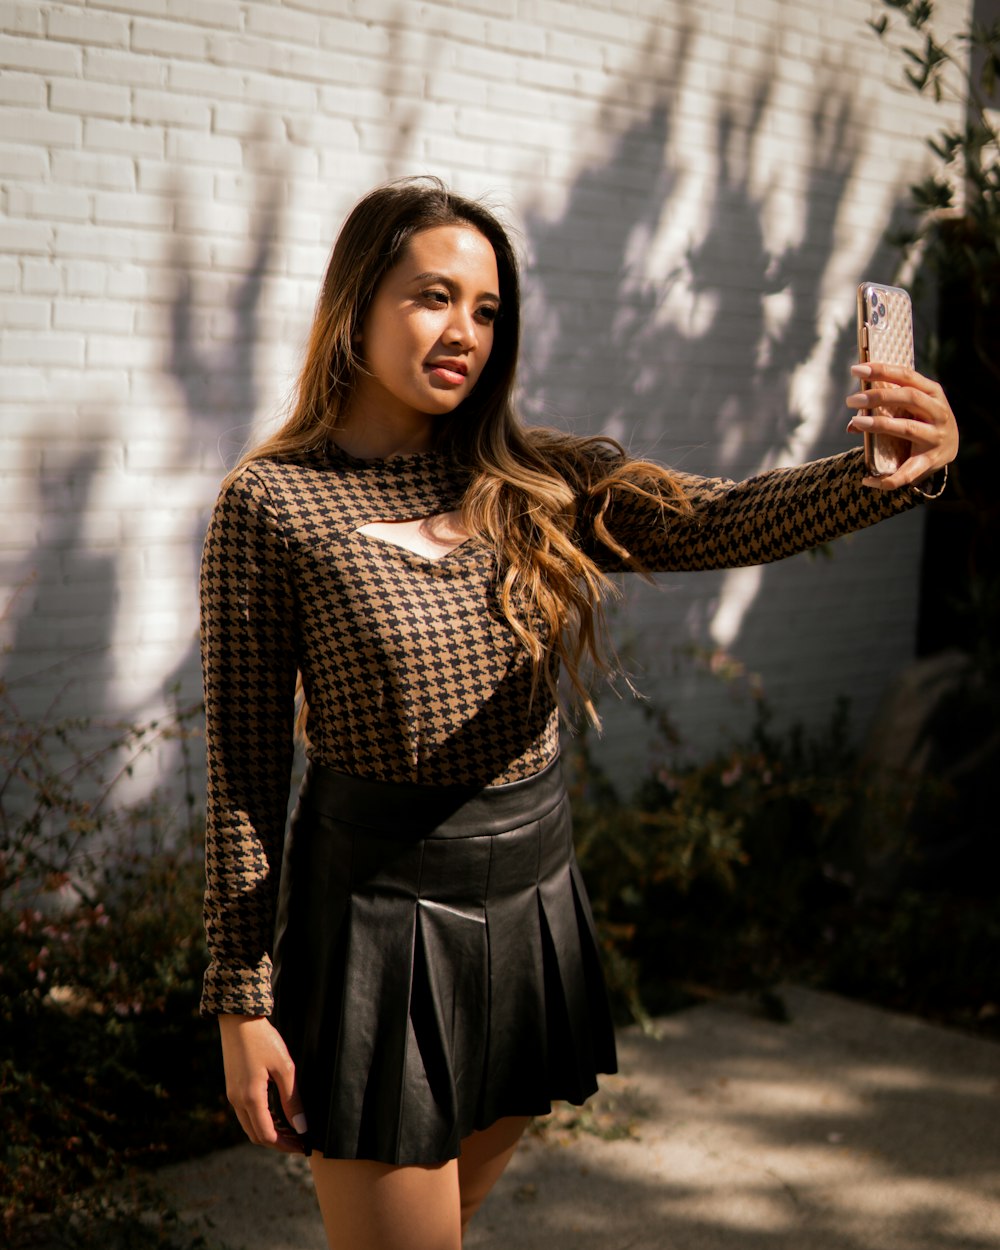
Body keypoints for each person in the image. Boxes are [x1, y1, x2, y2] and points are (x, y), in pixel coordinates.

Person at [198, 177, 958, 1250]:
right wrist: (241, 1001)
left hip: (530, 900)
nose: (464, 328)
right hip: (378, 920)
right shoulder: (271, 505)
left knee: (436, 1222)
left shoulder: (533, 477)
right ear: (355, 304)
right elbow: (239, 769)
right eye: (432, 296)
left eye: (486, 308)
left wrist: (886, 474)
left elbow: (715, 520)